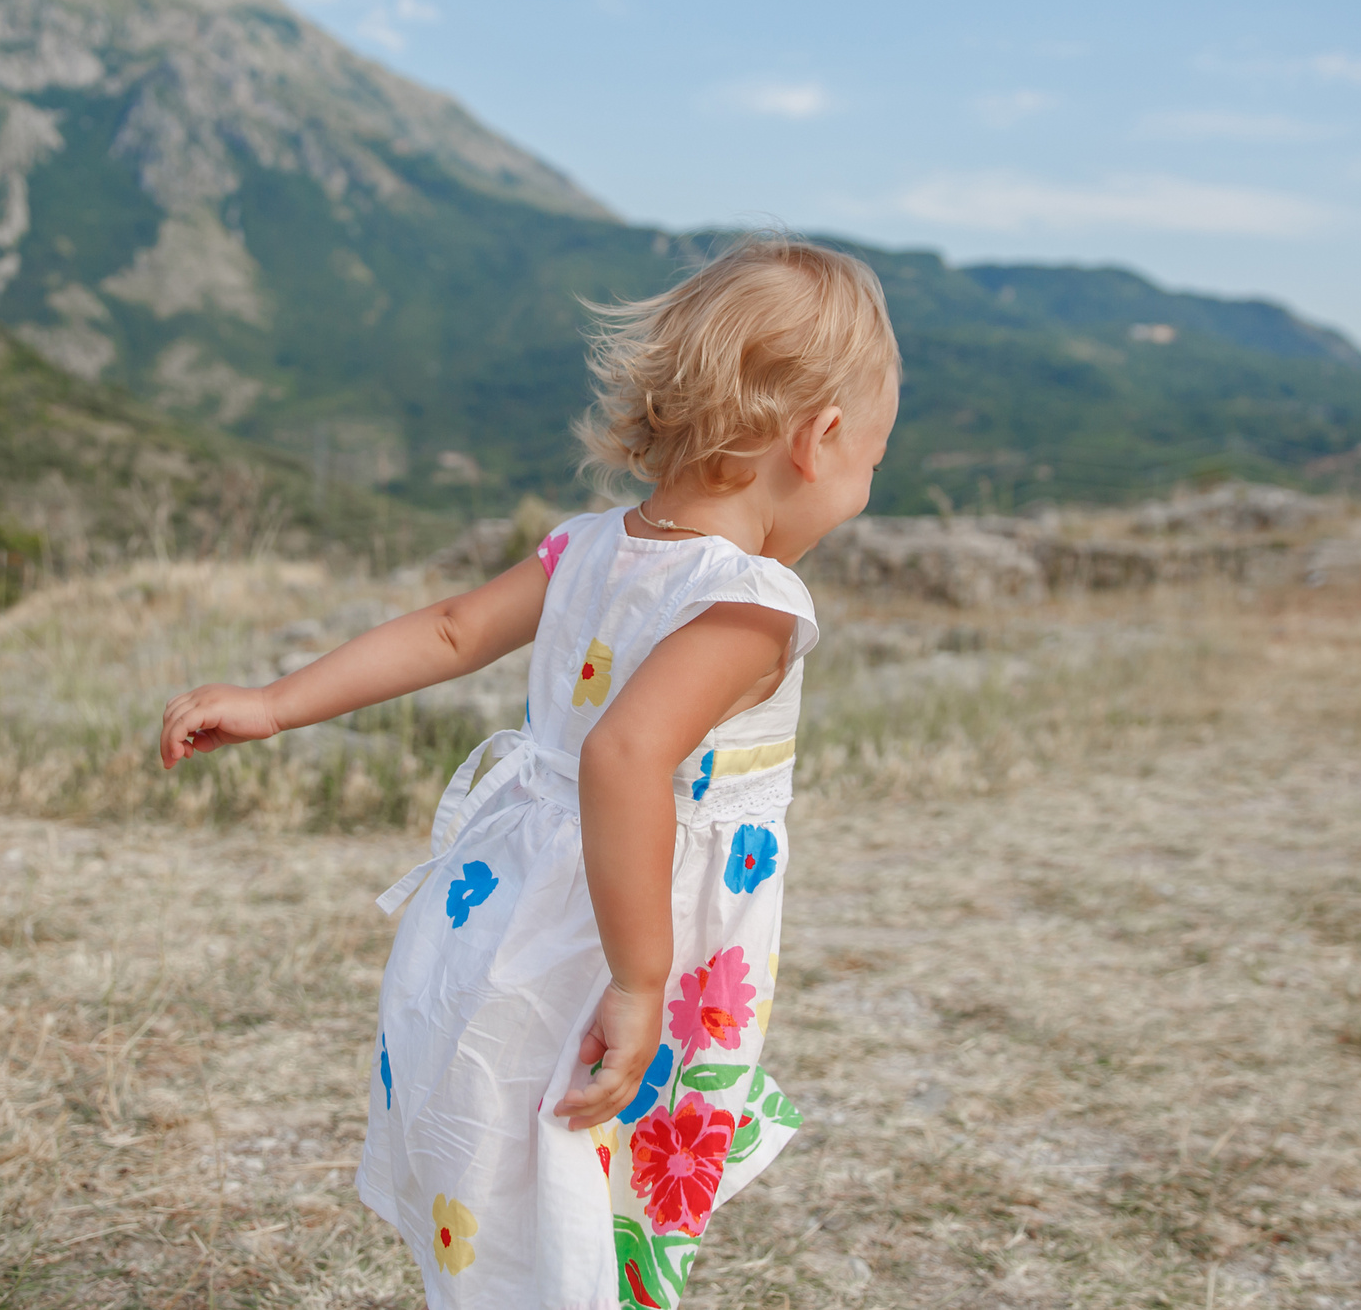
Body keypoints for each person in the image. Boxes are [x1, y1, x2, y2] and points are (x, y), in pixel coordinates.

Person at [158, 234, 900, 1308]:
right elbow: (627, 755)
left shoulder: (587, 547)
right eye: (873, 459)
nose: (867, 482)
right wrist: (642, 981)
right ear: (822, 439)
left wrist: (278, 704)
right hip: (614, 926)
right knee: (586, 1152)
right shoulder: (751, 604)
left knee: (515, 1138)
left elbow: (454, 631)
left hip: (506, 899)